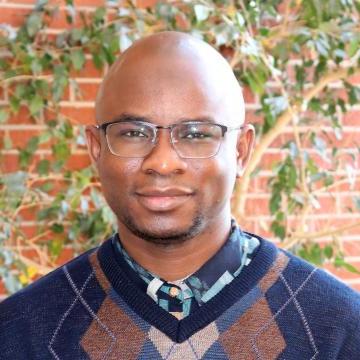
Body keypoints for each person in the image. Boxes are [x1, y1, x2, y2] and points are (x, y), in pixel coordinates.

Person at [0, 31, 359, 360]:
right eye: (134, 133)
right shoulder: (20, 334)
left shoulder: (339, 330)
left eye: (196, 134)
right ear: (97, 149)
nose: (162, 161)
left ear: (241, 152)